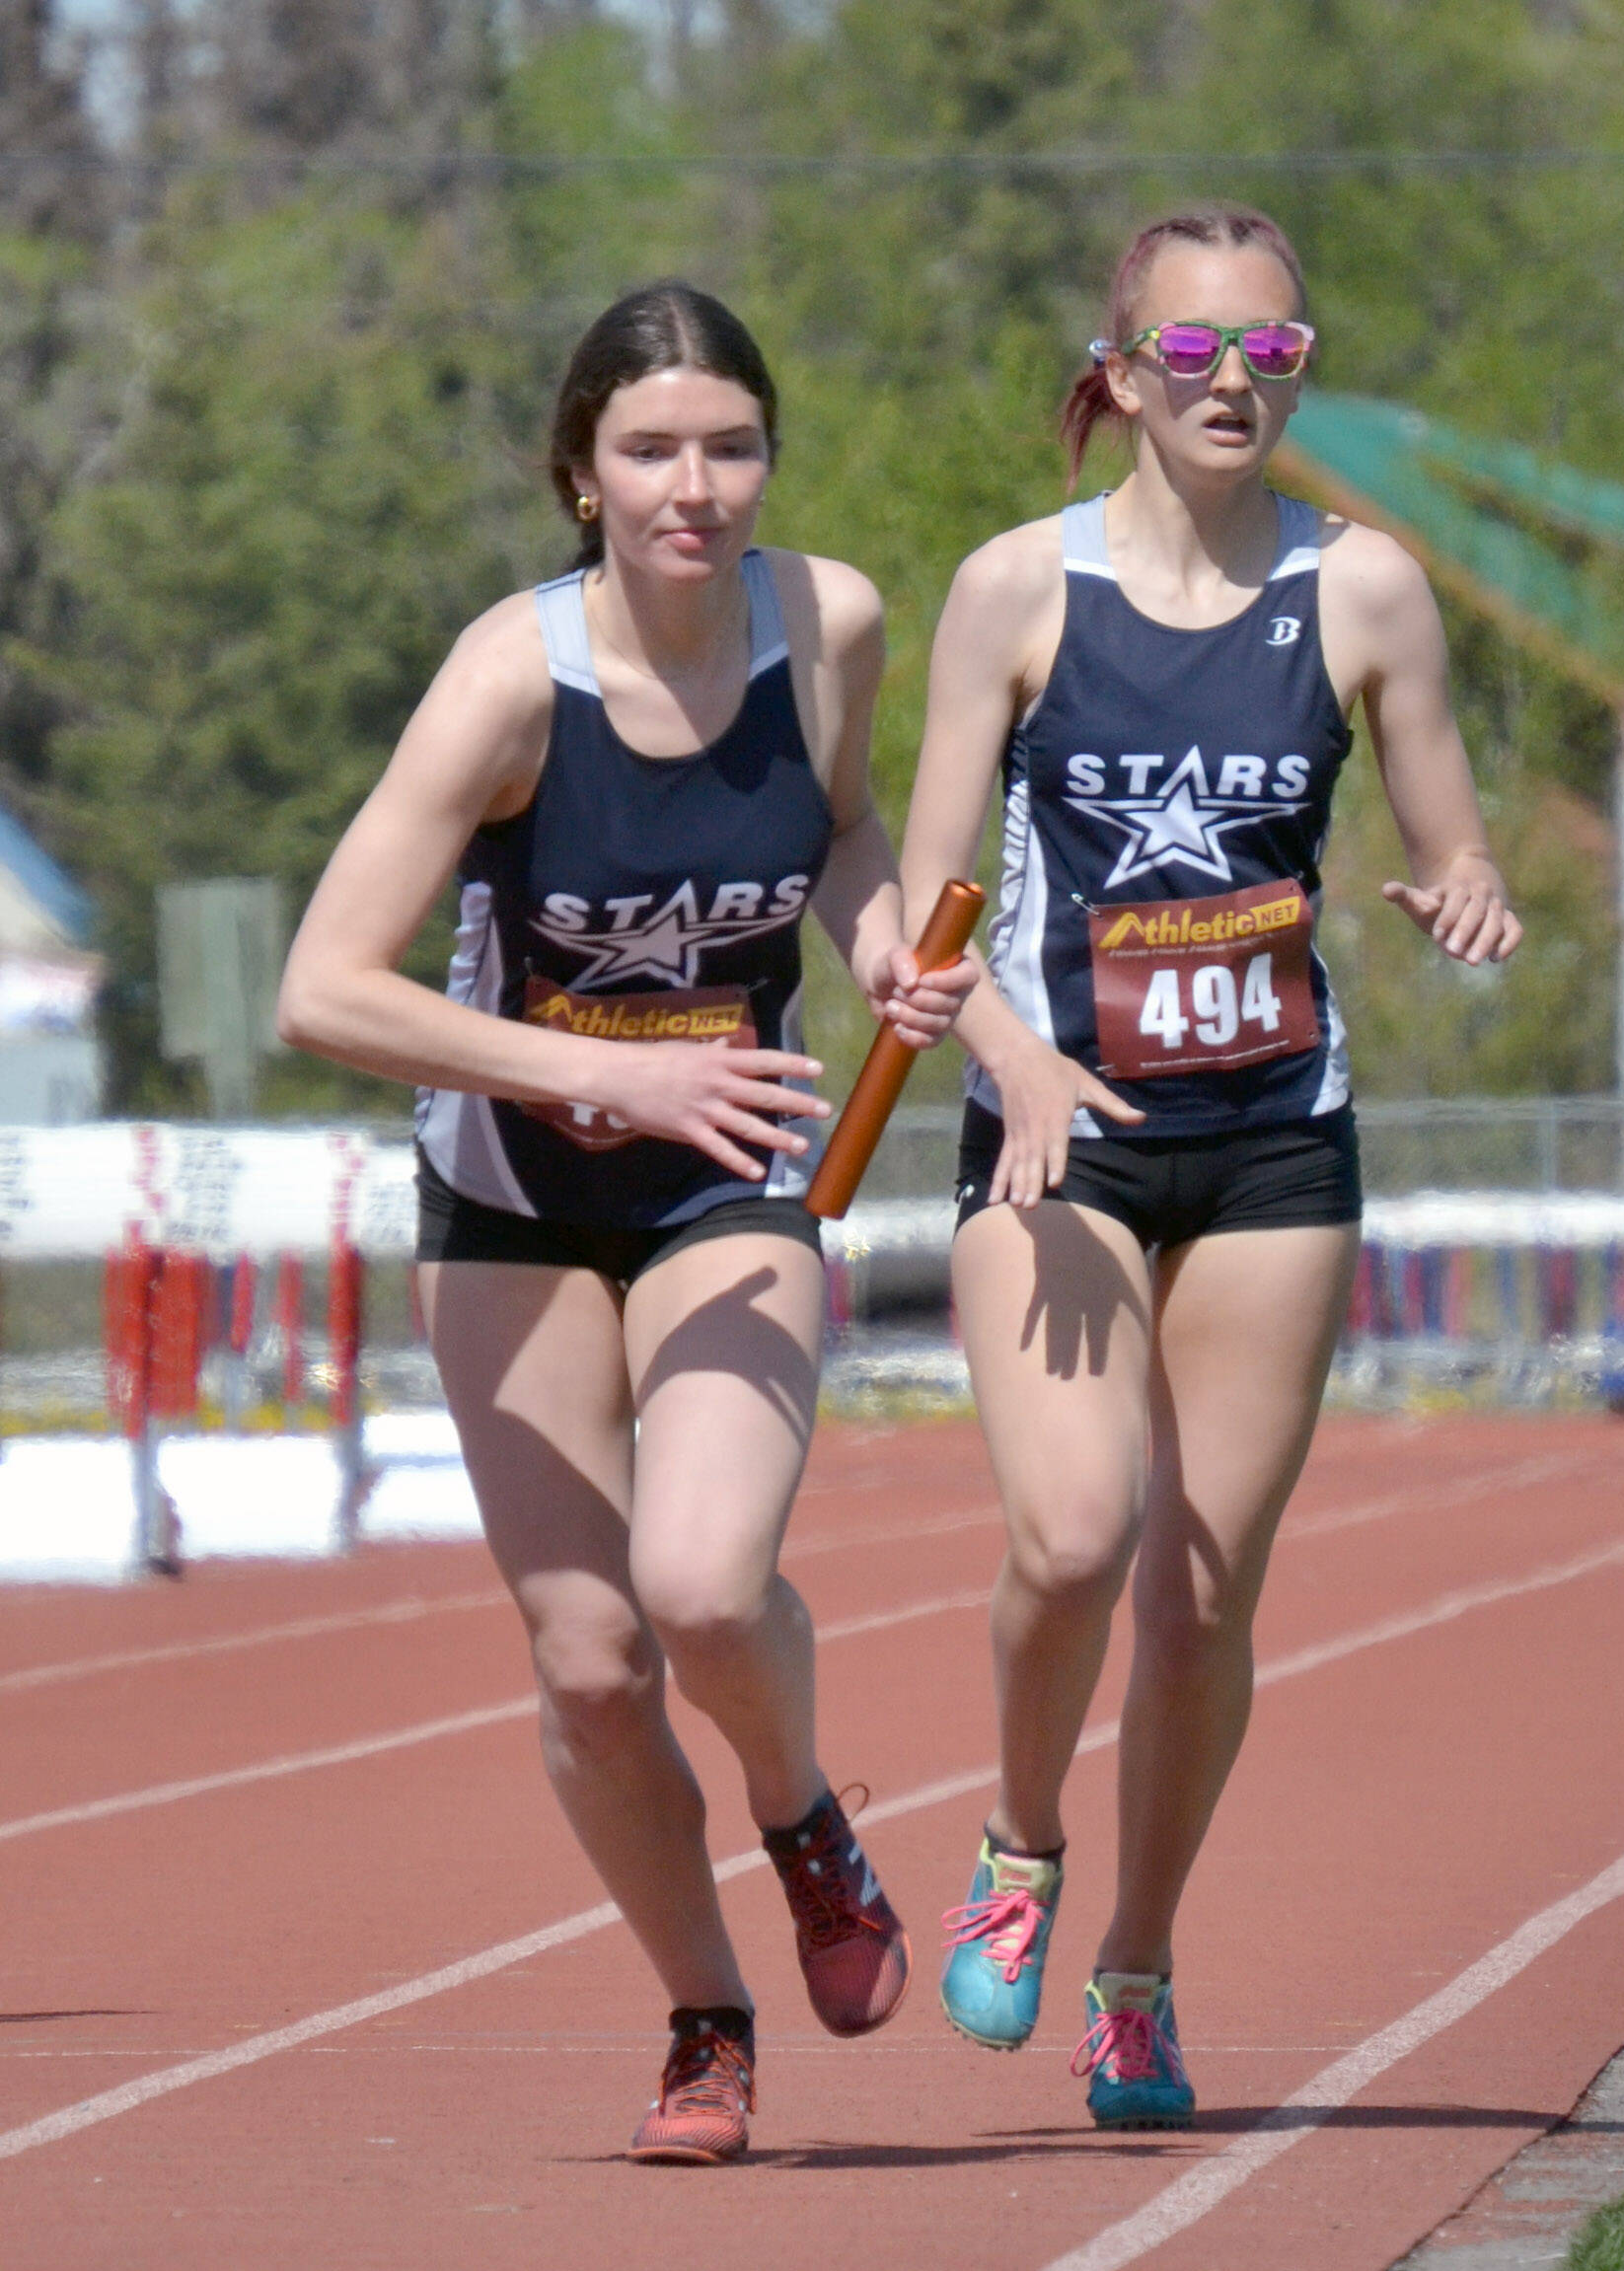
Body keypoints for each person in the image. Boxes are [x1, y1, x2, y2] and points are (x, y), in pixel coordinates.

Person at [278, 280, 972, 2164]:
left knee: (702, 1586)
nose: (697, 487)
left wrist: (884, 936)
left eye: (731, 446)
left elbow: (840, 830)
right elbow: (323, 988)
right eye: (651, 450)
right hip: (512, 1193)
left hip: (729, 1177)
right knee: (589, 1658)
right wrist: (591, 1071)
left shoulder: (827, 621)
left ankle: (804, 1810)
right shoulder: (512, 679)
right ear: (578, 473)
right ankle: (703, 2017)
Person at [900, 205, 1521, 2129]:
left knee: (1200, 1595)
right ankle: (1016, 1847)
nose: (1233, 379)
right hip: (1054, 1141)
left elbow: (1453, 835)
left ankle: (1138, 1975)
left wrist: (1467, 894)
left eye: (1271, 347)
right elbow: (915, 913)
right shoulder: (1016, 591)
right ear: (1123, 375)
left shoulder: (1368, 593)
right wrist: (1002, 1048)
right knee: (1074, 1533)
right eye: (1190, 353)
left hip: (1271, 1143)